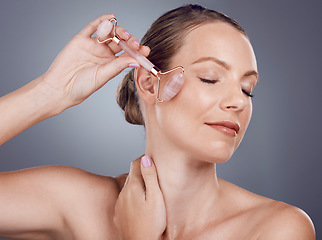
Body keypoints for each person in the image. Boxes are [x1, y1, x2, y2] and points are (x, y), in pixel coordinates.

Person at [0, 4, 315, 240]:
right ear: (150, 84)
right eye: (210, 78)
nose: (238, 101)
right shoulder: (77, 201)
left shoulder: (276, 228)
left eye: (248, 89)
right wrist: (50, 92)